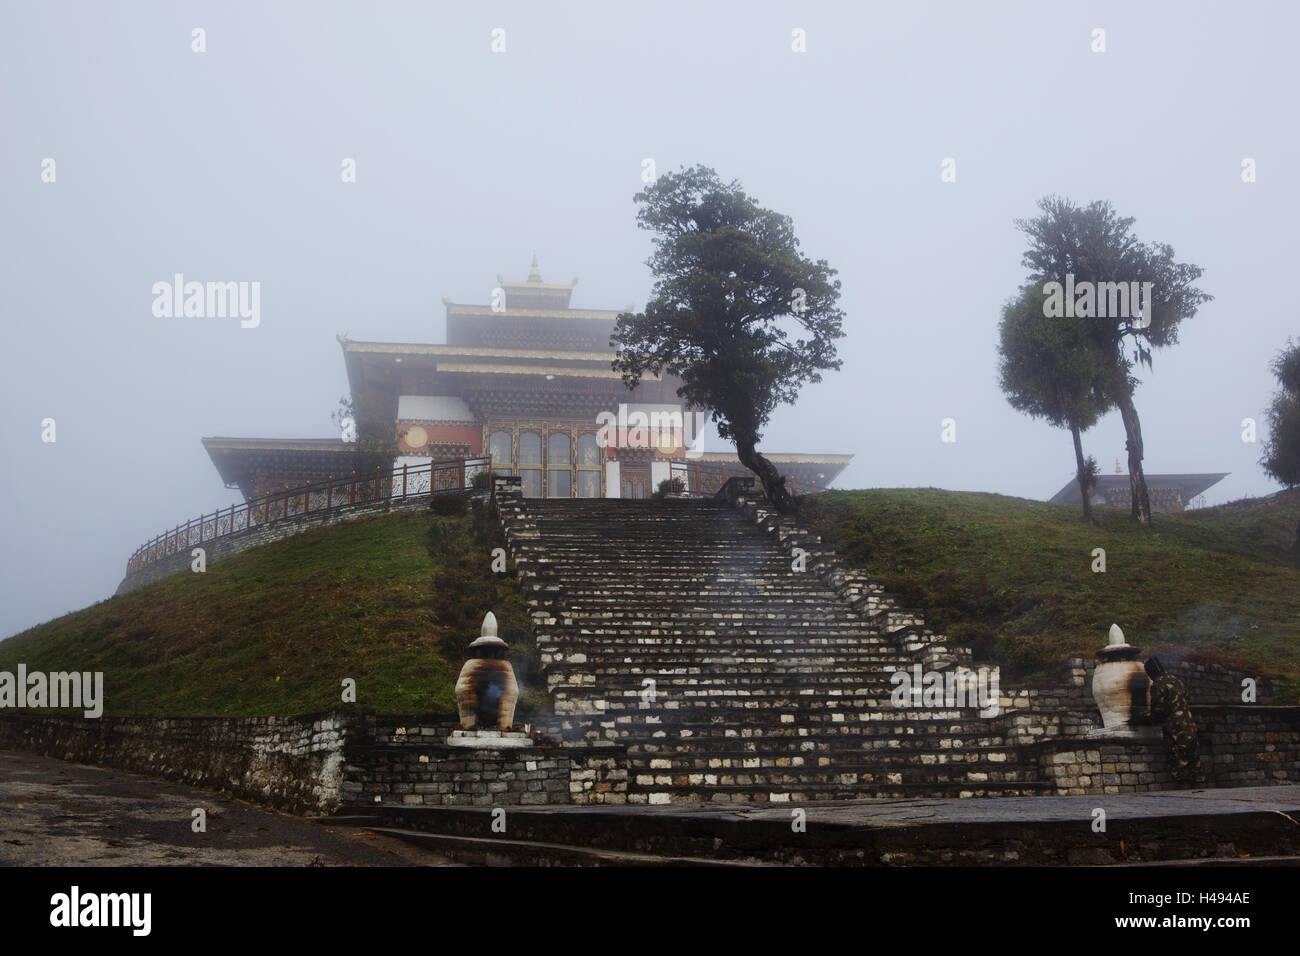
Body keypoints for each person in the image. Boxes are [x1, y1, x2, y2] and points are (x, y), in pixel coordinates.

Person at [1145, 657, 1203, 785]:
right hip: (1190, 726)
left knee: (1179, 766)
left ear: (1152, 671)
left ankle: (1184, 792)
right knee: (1195, 764)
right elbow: (1187, 698)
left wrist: (1147, 719)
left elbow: (1158, 710)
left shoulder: (1158, 684)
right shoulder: (1177, 680)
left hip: (1175, 729)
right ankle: (1200, 789)